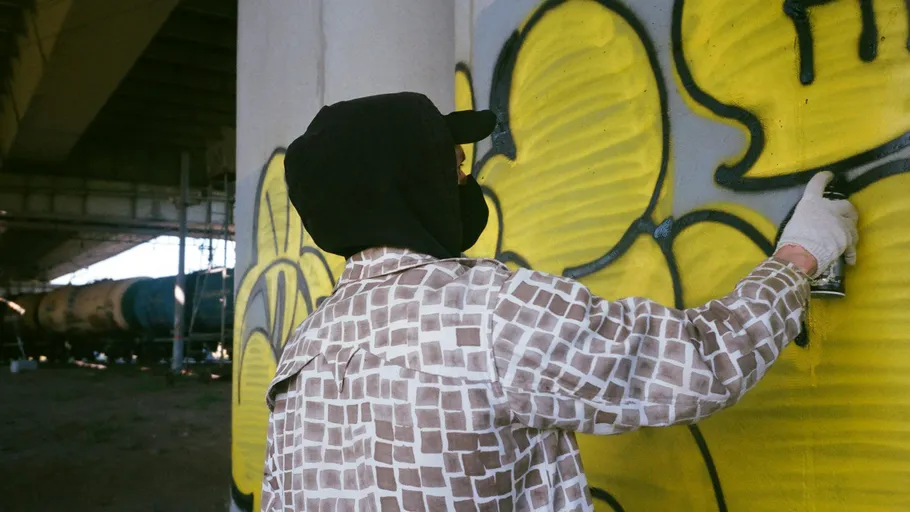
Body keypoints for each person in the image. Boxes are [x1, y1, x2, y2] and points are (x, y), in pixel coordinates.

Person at [260, 92, 858, 511]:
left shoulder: (306, 345)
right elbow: (696, 366)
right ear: (409, 183)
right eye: (455, 166)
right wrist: (797, 259)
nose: (466, 180)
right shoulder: (490, 314)